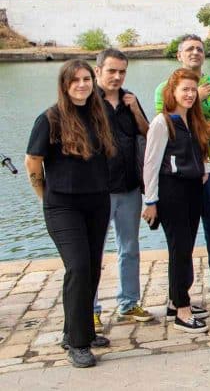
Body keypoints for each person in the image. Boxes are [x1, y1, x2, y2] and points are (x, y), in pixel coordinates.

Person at [26, 61, 119, 367]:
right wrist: (47, 198)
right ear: (65, 85)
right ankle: (77, 344)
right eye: (75, 80)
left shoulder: (98, 114)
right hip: (63, 206)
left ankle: (79, 330)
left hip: (96, 202)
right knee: (78, 267)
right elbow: (33, 162)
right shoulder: (50, 119)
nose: (82, 84)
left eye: (86, 79)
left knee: (91, 268)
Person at [154, 35, 210, 304]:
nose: (195, 53)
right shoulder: (164, 89)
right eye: (189, 49)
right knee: (183, 236)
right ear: (179, 55)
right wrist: (198, 103)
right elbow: (167, 128)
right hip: (180, 175)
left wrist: (192, 125)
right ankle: (181, 295)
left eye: (199, 49)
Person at [142, 68, 210, 336]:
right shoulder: (162, 122)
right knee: (179, 250)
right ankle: (182, 310)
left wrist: (202, 168)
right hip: (173, 192)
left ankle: (175, 300)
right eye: (185, 89)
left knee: (185, 248)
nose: (190, 94)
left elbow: (194, 152)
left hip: (193, 189)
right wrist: (150, 200)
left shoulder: (192, 120)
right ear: (172, 92)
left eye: (193, 90)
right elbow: (151, 163)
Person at [92, 49, 153, 325]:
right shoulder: (87, 101)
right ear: (98, 71)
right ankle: (89, 310)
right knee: (92, 252)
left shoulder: (130, 99)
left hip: (129, 187)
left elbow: (147, 133)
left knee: (129, 248)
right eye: (111, 71)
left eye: (122, 72)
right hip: (97, 190)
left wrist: (135, 109)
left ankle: (128, 303)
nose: (117, 77)